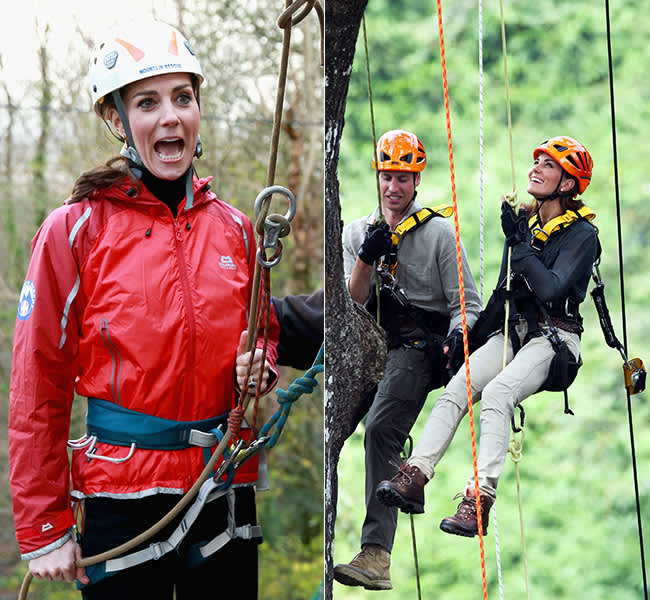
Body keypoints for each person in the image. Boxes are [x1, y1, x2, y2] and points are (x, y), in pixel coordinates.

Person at [8, 20, 280, 599]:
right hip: (121, 500)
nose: (170, 117)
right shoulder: (75, 231)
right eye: (148, 103)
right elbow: (37, 385)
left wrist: (260, 366)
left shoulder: (235, 230)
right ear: (118, 121)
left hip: (222, 489)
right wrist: (44, 526)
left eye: (183, 98)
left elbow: (266, 331)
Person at [376, 136, 598, 541]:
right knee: (458, 388)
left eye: (548, 166)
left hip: (555, 339)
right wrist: (467, 339)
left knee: (498, 394)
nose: (536, 168)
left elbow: (550, 290)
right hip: (512, 331)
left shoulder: (582, 236)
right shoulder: (526, 225)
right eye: (537, 161)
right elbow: (503, 295)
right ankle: (415, 474)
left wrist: (517, 243)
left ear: (568, 184)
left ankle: (478, 500)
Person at [333, 129, 482, 590]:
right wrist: (365, 258)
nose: (393, 187)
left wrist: (458, 339)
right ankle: (400, 485)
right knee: (344, 433)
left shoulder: (437, 233)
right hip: (373, 344)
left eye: (402, 178)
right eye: (386, 176)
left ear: (416, 182)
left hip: (421, 348)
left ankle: (376, 554)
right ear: (376, 177)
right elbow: (351, 304)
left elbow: (468, 304)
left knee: (380, 428)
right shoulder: (357, 232)